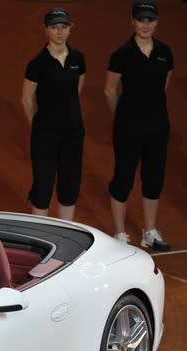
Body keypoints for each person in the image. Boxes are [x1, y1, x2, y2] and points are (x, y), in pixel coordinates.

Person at [104, 0, 173, 250]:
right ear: (132, 22)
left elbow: (163, 86)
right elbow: (110, 90)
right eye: (141, 20)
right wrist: (124, 116)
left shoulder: (165, 52)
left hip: (157, 126)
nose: (145, 25)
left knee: (154, 178)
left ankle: (149, 232)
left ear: (156, 23)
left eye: (150, 20)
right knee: (123, 178)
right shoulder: (121, 54)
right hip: (128, 127)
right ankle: (120, 233)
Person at [21, 7, 86, 221]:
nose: (59, 32)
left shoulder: (78, 58)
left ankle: (66, 233)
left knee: (69, 184)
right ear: (46, 30)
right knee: (42, 185)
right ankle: (41, 237)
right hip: (45, 135)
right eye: (54, 27)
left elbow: (76, 90)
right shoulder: (37, 64)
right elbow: (26, 100)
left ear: (70, 29)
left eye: (63, 27)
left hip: (73, 132)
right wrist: (39, 126)